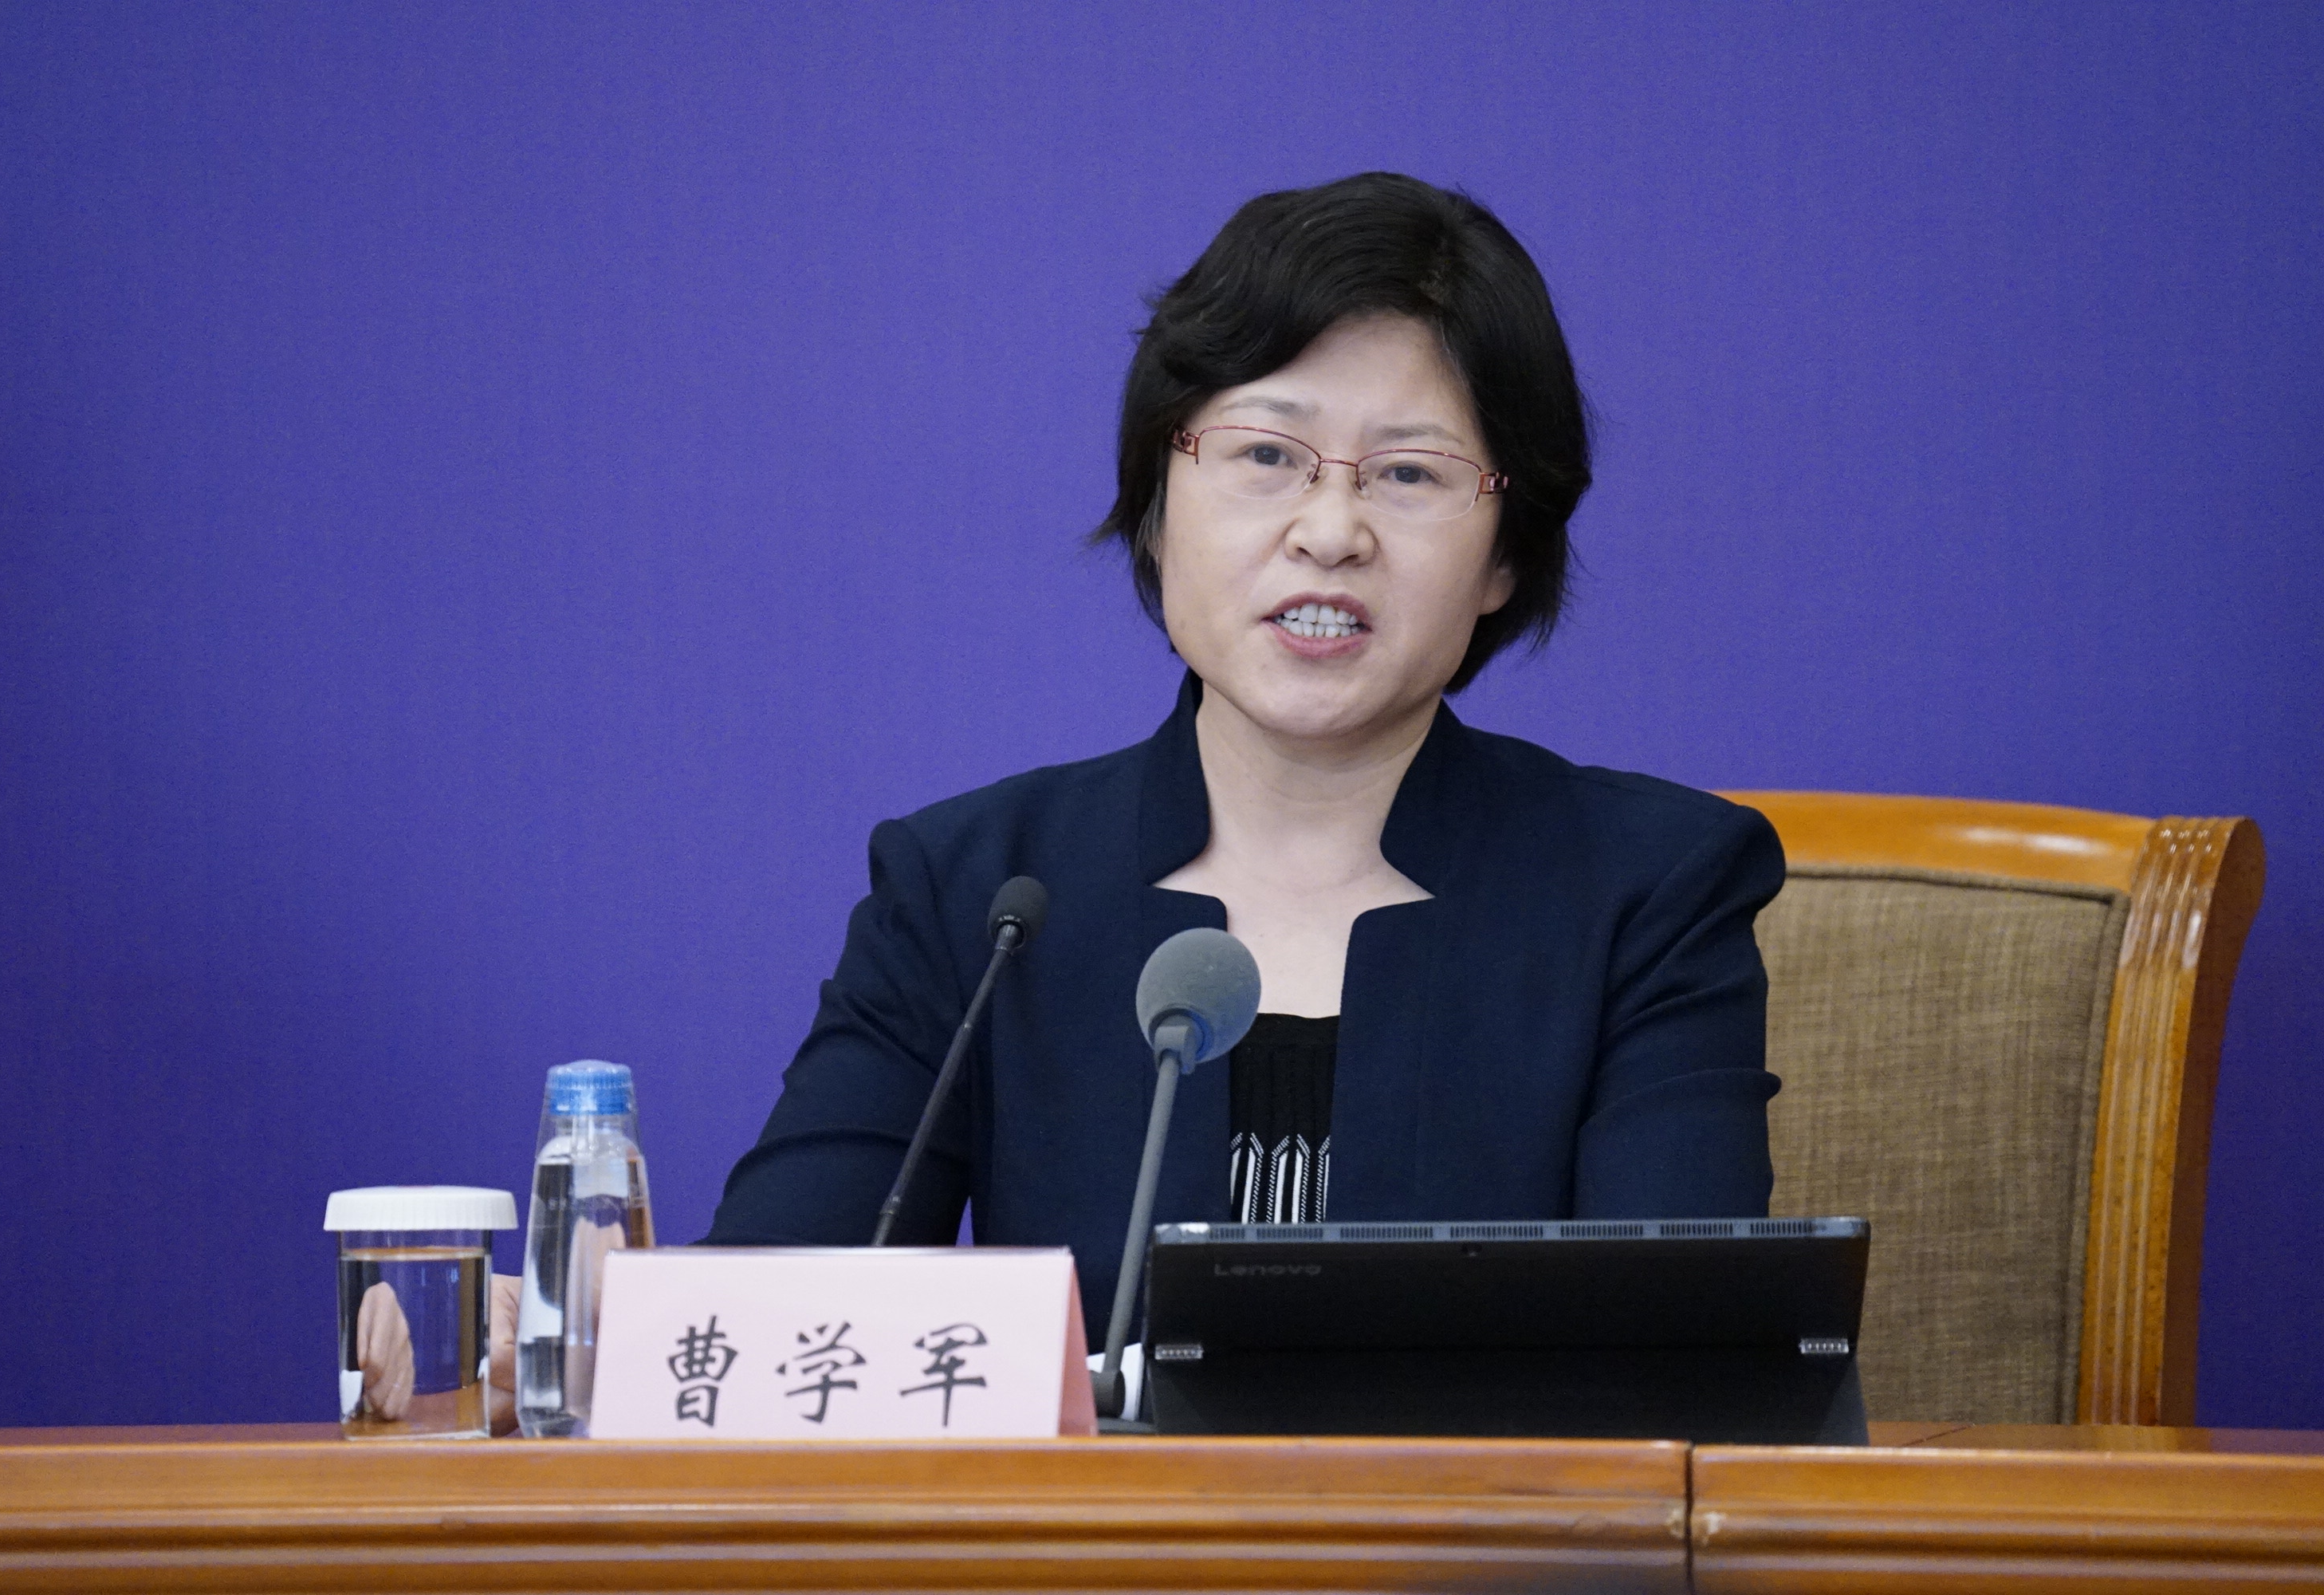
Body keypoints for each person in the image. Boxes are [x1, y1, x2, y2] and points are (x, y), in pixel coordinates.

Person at [458, 172, 1783, 1430]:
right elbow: (786, 1307)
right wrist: (592, 1343)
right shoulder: (982, 890)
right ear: (1158, 504)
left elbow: (1684, 1366)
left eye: (1410, 473)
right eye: (1267, 454)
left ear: (1504, 557)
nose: (1331, 531)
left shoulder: (1646, 889)